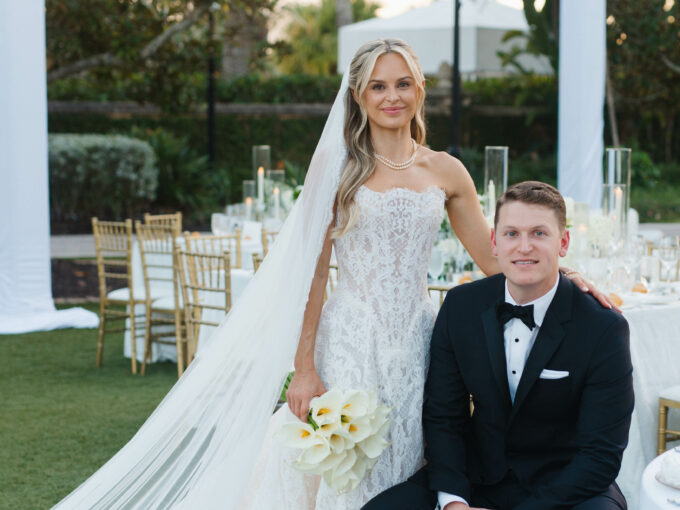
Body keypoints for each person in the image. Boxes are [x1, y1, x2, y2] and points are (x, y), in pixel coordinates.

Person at [52, 40, 612, 510]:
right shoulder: (336, 168)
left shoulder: (446, 170)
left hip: (419, 338)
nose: (391, 96)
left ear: (419, 90)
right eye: (377, 86)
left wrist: (570, 278)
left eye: (402, 84)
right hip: (351, 338)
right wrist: (303, 368)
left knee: (418, 453)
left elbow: (496, 259)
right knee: (346, 466)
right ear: (359, 96)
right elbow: (311, 277)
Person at [363, 181, 634, 510]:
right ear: (494, 241)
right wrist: (454, 503)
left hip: (566, 487)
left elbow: (600, 456)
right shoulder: (461, 307)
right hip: (477, 478)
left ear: (563, 242)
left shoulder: (603, 328)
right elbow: (444, 417)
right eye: (511, 234)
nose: (524, 247)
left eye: (539, 233)